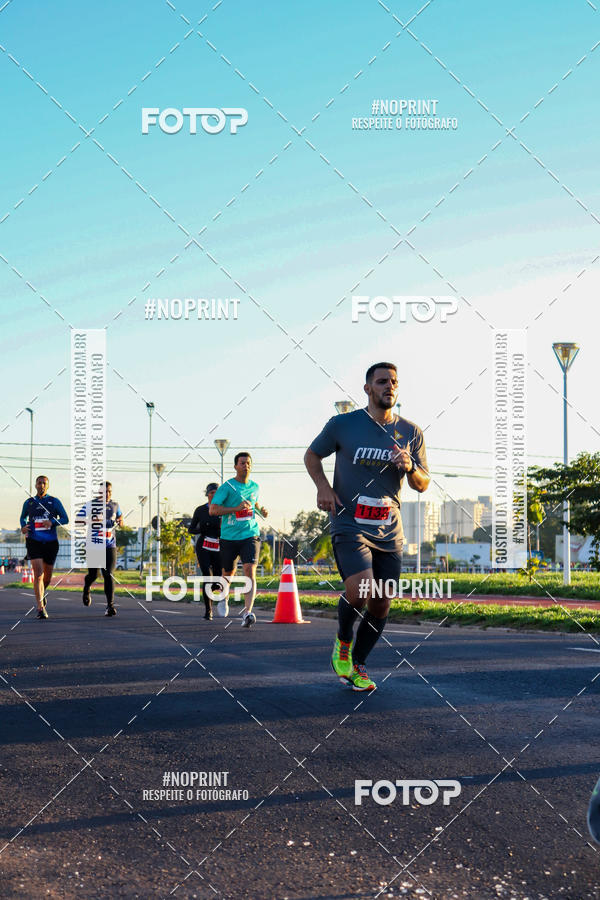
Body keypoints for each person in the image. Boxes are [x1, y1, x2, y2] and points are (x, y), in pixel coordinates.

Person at [304, 362, 430, 691]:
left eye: (394, 382)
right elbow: (312, 456)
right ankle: (343, 641)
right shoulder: (343, 425)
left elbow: (423, 483)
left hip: (389, 529)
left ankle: (358, 664)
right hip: (350, 521)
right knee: (361, 588)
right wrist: (323, 487)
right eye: (381, 381)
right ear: (367, 389)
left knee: (382, 600)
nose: (389, 386)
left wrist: (409, 467)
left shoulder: (410, 432)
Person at [209, 452, 268, 628]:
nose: (246, 466)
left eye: (248, 463)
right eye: (242, 463)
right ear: (235, 466)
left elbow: (254, 504)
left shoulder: (255, 487)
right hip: (229, 537)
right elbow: (213, 510)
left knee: (250, 570)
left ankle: (247, 613)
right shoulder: (227, 487)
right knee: (228, 574)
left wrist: (261, 512)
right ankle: (224, 597)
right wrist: (236, 508)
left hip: (250, 534)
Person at [19, 475, 69, 619]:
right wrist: (23, 527)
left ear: (47, 486)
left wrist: (51, 522)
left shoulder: (54, 502)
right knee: (38, 575)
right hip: (34, 542)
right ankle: (41, 608)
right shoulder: (29, 503)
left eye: (44, 483)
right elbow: (22, 517)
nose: (41, 485)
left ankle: (41, 593)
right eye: (39, 483)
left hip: (51, 543)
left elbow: (65, 519)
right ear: (35, 485)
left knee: (46, 578)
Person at [81, 482, 123, 616]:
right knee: (94, 575)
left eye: (109, 491)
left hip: (110, 545)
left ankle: (110, 606)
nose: (107, 494)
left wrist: (121, 521)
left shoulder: (115, 505)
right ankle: (87, 588)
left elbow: (120, 517)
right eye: (104, 492)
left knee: (108, 574)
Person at [188, 483, 222, 620]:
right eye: (212, 492)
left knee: (217, 579)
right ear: (207, 494)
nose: (214, 495)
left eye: (217, 493)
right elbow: (191, 529)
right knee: (207, 575)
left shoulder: (223, 510)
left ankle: (213, 595)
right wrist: (201, 529)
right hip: (204, 545)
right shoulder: (200, 510)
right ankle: (208, 611)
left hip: (219, 545)